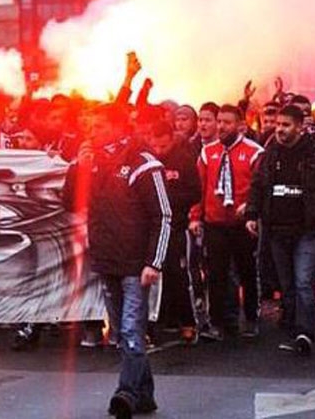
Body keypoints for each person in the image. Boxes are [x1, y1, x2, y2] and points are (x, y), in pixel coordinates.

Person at [64, 103, 171, 418]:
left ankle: (125, 393)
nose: (92, 133)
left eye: (98, 127)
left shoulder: (143, 164)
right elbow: (69, 202)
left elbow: (162, 215)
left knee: (131, 330)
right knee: (122, 335)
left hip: (135, 264)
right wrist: (77, 169)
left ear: (117, 127)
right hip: (107, 261)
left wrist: (154, 262)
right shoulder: (92, 162)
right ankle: (145, 394)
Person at [246, 105, 315, 356]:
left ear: (300, 127)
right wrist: (252, 214)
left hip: (306, 229)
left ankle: (305, 333)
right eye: (278, 124)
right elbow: (258, 184)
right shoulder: (270, 153)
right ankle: (292, 327)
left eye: (286, 125)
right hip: (276, 229)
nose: (280, 129)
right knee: (287, 285)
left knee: (303, 282)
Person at [190, 104, 264, 340]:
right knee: (216, 273)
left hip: (242, 223)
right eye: (219, 121)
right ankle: (218, 323)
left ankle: (251, 318)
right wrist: (195, 217)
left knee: (247, 271)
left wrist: (252, 210)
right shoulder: (207, 153)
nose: (221, 126)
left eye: (227, 122)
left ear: (240, 125)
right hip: (215, 222)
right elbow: (198, 188)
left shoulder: (254, 152)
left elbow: (259, 187)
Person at [146, 121, 201, 344]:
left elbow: (195, 192)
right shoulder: (147, 161)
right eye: (156, 146)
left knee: (179, 274)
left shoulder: (184, 160)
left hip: (176, 226)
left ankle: (189, 321)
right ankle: (154, 322)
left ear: (171, 140)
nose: (160, 151)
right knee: (150, 276)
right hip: (152, 228)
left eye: (164, 146)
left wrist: (169, 200)